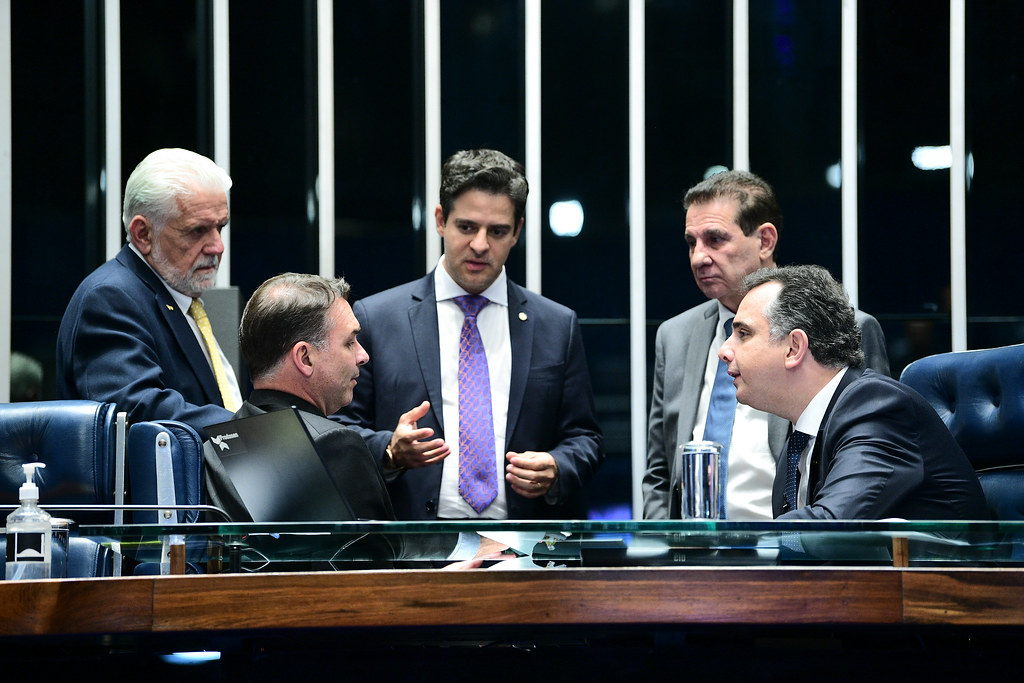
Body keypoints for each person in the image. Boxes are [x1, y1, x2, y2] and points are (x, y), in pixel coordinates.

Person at [337, 149, 604, 520]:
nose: (480, 245)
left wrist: (558, 467)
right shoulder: (377, 319)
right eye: (467, 227)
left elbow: (586, 438)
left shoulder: (556, 326)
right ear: (440, 220)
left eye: (497, 231)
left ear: (518, 232)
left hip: (524, 551)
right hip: (413, 550)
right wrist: (389, 450)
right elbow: (339, 431)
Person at [204, 272, 506, 566]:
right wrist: (462, 562)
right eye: (350, 343)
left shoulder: (220, 440)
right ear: (305, 358)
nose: (363, 355)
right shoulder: (333, 444)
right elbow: (381, 573)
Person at [643, 170, 889, 520]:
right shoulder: (675, 335)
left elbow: (869, 459)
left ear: (765, 241)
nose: (698, 257)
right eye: (691, 242)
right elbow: (660, 472)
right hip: (693, 553)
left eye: (715, 239)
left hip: (794, 544)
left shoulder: (849, 328)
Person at [718, 265, 987, 520]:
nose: (724, 351)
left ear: (794, 348)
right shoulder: (799, 439)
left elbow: (831, 527)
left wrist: (740, 545)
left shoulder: (878, 408)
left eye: (743, 333)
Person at [56, 148, 241, 435]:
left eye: (220, 227)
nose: (217, 246)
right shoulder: (110, 297)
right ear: (143, 233)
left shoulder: (176, 297)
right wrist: (250, 432)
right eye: (197, 230)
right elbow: (139, 410)